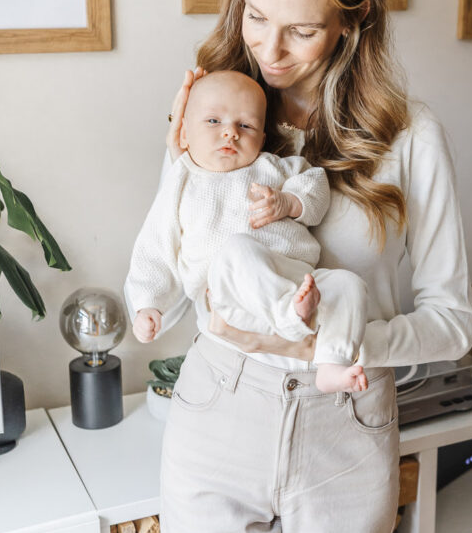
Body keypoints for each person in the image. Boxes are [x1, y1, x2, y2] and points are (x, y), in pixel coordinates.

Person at [128, 0, 472, 533]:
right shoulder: (212, 108)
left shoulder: (409, 137)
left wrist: (340, 345)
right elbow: (175, 251)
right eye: (255, 17)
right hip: (220, 407)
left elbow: (453, 322)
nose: (270, 49)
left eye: (301, 30)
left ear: (353, 20)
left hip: (342, 424)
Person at [126, 69, 369, 393]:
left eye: (245, 125)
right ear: (183, 134)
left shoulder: (273, 166)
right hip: (231, 295)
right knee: (238, 247)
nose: (230, 133)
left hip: (296, 278)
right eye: (213, 121)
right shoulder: (182, 180)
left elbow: (315, 186)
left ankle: (332, 363)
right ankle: (290, 317)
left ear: (262, 140)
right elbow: (156, 245)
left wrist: (289, 203)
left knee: (349, 284)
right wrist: (148, 305)